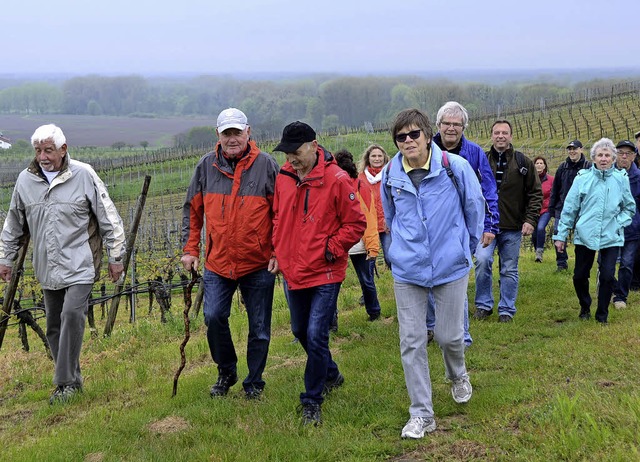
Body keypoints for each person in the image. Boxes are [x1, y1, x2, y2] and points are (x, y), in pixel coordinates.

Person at [0, 124, 126, 404]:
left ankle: (64, 383)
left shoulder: (83, 175)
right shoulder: (25, 181)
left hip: (81, 264)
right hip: (47, 268)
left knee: (71, 315)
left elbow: (109, 218)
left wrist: (116, 257)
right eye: (38, 150)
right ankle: (73, 382)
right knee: (54, 326)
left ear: (63, 149)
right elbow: (14, 223)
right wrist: (4, 259)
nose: (43, 156)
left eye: (48, 150)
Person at [381, 109, 484, 439]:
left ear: (427, 135)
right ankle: (422, 414)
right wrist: (394, 254)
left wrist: (464, 250)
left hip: (450, 267)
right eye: (401, 137)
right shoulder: (389, 175)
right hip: (408, 270)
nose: (408, 141)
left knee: (449, 336)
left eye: (414, 135)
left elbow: (474, 209)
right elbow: (389, 218)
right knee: (411, 342)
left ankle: (458, 374)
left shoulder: (456, 169)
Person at [181, 108, 279, 400]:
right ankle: (227, 370)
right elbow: (192, 210)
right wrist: (190, 249)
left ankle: (254, 383)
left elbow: (280, 214)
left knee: (259, 327)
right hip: (218, 261)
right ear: (218, 136)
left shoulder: (267, 165)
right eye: (227, 133)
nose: (232, 138)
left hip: (258, 262)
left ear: (248, 131)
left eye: (237, 132)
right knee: (213, 316)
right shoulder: (205, 167)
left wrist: (277, 251)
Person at [271, 121, 365, 426]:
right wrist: (276, 251)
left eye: (296, 152)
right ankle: (332, 374)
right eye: (287, 153)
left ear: (313, 145)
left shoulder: (337, 179)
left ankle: (312, 399)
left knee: (315, 334)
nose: (291, 159)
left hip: (325, 271)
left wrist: (331, 248)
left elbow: (356, 224)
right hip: (292, 269)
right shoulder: (284, 177)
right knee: (299, 331)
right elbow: (278, 217)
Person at [427, 101, 500, 346]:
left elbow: (488, 190)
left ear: (463, 127)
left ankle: (462, 336)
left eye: (456, 124)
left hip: (462, 227)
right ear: (438, 125)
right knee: (426, 277)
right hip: (431, 226)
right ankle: (432, 327)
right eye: (446, 123)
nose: (451, 128)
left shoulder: (475, 153)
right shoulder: (424, 150)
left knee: (457, 277)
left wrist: (490, 226)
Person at [553, 138, 635, 323]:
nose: (604, 158)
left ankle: (602, 315)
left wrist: (618, 223)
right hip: (585, 235)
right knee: (579, 276)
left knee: (607, 276)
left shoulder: (621, 180)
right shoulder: (583, 178)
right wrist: (561, 235)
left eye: (607, 155)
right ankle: (585, 306)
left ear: (613, 158)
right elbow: (569, 208)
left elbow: (629, 208)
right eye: (600, 155)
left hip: (611, 236)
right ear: (594, 158)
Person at [474, 120, 542, 322]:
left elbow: (535, 193)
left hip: (513, 226)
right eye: (497, 132)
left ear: (511, 136)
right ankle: (484, 305)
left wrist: (530, 219)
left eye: (505, 132)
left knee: (509, 268)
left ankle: (506, 309)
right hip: (486, 226)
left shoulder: (524, 162)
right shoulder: (482, 160)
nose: (500, 136)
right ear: (492, 135)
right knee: (483, 261)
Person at [334, 149, 381, 321]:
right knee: (366, 280)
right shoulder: (362, 186)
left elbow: (368, 216)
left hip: (343, 242)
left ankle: (332, 322)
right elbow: (370, 218)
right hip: (357, 241)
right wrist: (373, 246)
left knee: (333, 285)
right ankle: (374, 312)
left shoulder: (354, 186)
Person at [548, 140, 591, 271]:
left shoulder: (588, 167)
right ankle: (561, 263)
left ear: (581, 150)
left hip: (582, 209)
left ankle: (582, 263)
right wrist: (552, 207)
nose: (572, 151)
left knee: (583, 237)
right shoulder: (563, 167)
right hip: (562, 208)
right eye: (570, 149)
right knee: (558, 233)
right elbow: (555, 188)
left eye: (575, 149)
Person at [611, 140, 640, 309]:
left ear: (634, 156)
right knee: (605, 264)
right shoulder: (607, 175)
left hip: (632, 227)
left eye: (628, 153)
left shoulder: (638, 177)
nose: (624, 156)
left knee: (627, 264)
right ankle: (612, 287)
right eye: (621, 152)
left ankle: (620, 296)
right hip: (611, 228)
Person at [358, 144, 391, 263]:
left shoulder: (390, 174)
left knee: (390, 256)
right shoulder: (360, 178)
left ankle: (399, 279)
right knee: (368, 260)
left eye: (379, 156)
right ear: (368, 158)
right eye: (373, 156)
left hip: (386, 223)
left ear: (384, 158)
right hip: (367, 225)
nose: (377, 159)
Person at [532, 156, 554, 262]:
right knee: (534, 232)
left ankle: (539, 252)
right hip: (533, 209)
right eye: (537, 163)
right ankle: (537, 251)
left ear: (545, 166)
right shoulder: (530, 179)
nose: (539, 165)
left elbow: (554, 194)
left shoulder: (551, 180)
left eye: (541, 163)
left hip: (546, 209)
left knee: (541, 228)